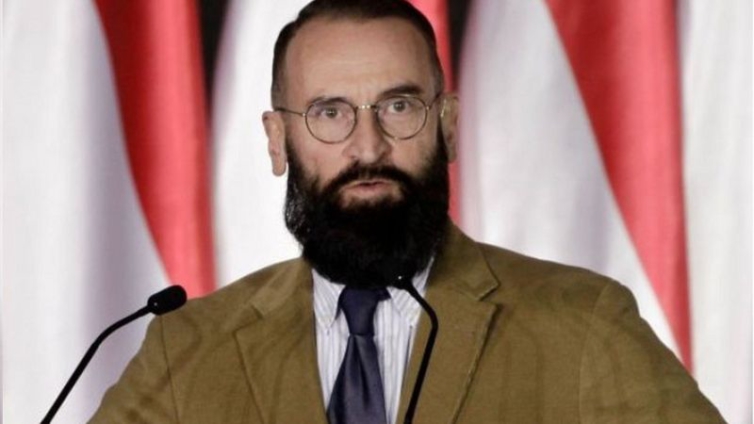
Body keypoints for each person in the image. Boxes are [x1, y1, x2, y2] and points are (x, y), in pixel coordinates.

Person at [91, 0, 724, 423]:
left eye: (399, 107)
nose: (368, 148)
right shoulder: (187, 348)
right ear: (278, 142)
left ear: (447, 125)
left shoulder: (584, 325)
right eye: (330, 113)